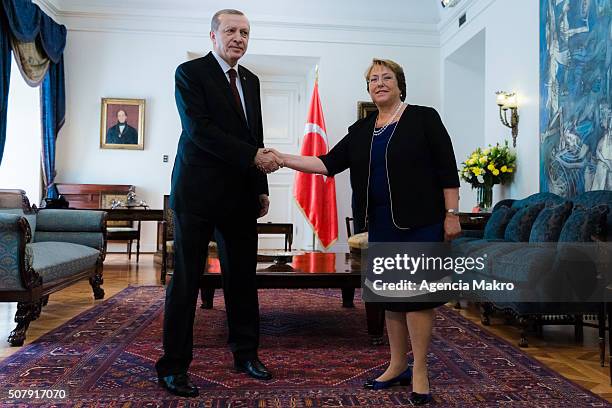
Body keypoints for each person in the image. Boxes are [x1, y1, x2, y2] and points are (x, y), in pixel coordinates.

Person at [267, 58, 461, 405]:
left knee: (417, 300)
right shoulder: (361, 130)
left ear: (400, 84)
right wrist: (282, 158)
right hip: (380, 225)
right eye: (373, 79)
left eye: (387, 77)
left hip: (422, 222)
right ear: (368, 88)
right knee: (390, 298)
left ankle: (419, 371)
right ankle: (397, 364)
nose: (380, 83)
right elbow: (326, 163)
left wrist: (451, 214)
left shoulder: (423, 117)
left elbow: (448, 169)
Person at [155, 9, 283, 398]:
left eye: (245, 32)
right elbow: (200, 131)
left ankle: (246, 354)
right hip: (197, 193)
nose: (239, 38)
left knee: (243, 280)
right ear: (213, 36)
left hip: (241, 196)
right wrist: (252, 159)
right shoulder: (190, 73)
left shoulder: (252, 80)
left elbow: (254, 134)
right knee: (187, 281)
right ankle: (173, 366)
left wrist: (260, 185)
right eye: (231, 30)